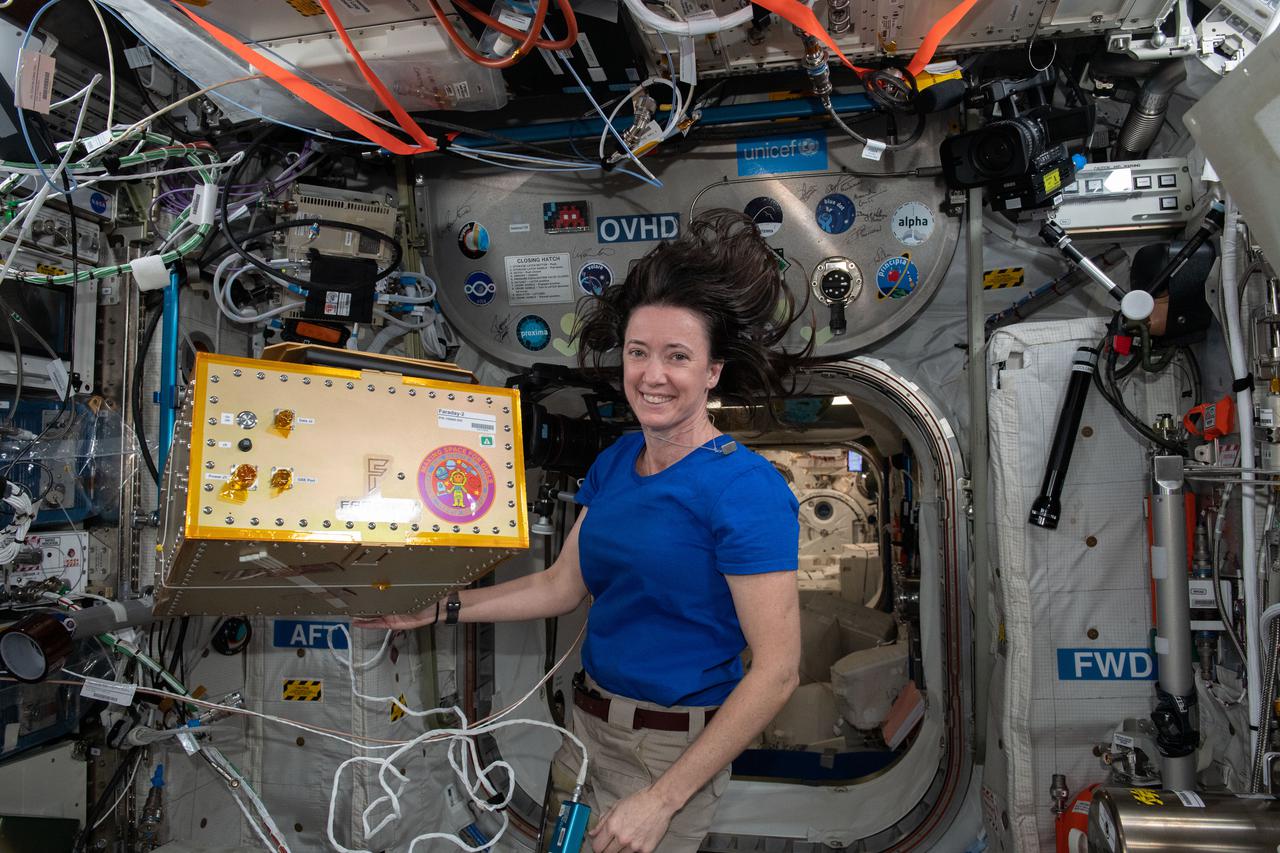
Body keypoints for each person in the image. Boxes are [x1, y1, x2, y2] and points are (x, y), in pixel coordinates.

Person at [356, 209, 809, 853]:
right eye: (638, 352)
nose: (653, 375)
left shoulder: (747, 490)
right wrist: (439, 608)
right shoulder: (617, 462)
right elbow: (561, 585)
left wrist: (660, 802)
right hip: (587, 727)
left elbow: (778, 673)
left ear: (711, 372)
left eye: (678, 357)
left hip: (669, 752)